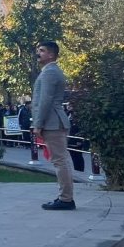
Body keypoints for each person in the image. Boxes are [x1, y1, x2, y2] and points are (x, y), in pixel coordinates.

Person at [32, 41, 74, 210]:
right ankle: (65, 197)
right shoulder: (49, 71)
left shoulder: (50, 72)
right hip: (54, 121)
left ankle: (66, 199)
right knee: (60, 160)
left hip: (52, 122)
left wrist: (38, 124)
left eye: (41, 51)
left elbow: (45, 101)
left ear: (51, 54)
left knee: (60, 161)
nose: (38, 53)